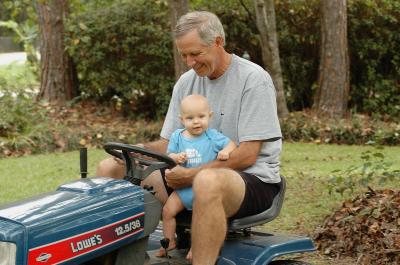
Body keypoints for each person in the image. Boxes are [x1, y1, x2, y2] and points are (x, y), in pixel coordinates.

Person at [96, 11, 282, 265]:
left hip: (251, 179)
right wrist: (140, 149)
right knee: (111, 167)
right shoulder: (186, 83)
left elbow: (248, 154)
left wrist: (192, 175)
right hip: (187, 174)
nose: (189, 62)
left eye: (195, 53)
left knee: (206, 180)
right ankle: (107, 259)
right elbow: (168, 142)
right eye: (184, 54)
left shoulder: (253, 79)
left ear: (218, 42)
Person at [157, 94, 236, 258]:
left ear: (210, 116)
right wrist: (176, 157)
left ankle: (197, 249)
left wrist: (225, 151)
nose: (196, 121)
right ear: (182, 119)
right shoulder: (177, 136)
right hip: (183, 189)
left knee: (200, 220)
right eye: (190, 118)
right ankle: (169, 242)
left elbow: (231, 144)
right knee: (167, 211)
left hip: (202, 189)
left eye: (201, 116)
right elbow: (169, 154)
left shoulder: (212, 136)